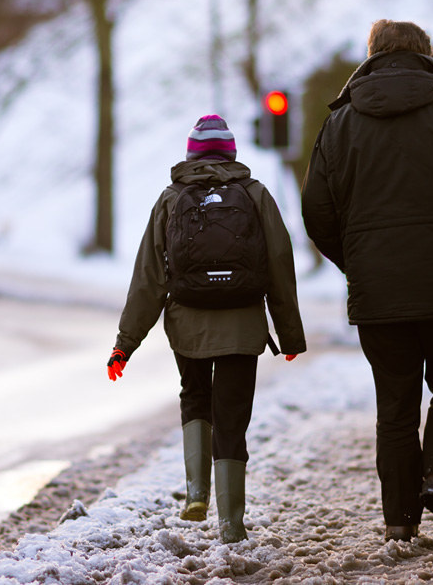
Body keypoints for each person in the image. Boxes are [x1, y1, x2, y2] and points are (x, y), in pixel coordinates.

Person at [301, 19, 433, 542]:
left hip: (377, 289)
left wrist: (358, 260)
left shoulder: (338, 123)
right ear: (428, 56)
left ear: (372, 55)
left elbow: (316, 209)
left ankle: (399, 522)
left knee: (396, 403)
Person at [106, 114, 306, 544]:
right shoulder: (254, 195)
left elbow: (148, 278)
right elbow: (279, 267)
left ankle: (197, 493)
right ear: (232, 153)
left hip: (188, 323)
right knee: (232, 418)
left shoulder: (171, 198)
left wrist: (125, 345)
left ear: (191, 154)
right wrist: (289, 335)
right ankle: (231, 523)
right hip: (242, 326)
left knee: (196, 396)